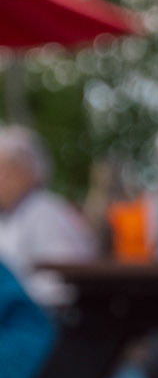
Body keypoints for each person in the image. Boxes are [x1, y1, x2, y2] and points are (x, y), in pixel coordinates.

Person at [0, 126, 95, 305]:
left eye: (5, 172)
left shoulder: (44, 212)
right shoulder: (12, 215)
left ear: (28, 173)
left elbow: (61, 286)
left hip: (40, 315)